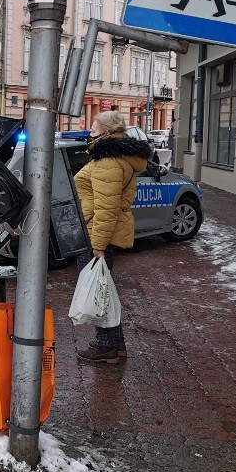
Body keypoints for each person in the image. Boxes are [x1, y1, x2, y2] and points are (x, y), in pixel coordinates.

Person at [73, 111, 152, 364]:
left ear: (106, 133)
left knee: (98, 292)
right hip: (99, 230)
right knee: (103, 288)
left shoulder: (108, 162)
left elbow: (106, 208)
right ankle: (116, 344)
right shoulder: (114, 158)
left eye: (93, 131)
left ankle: (106, 347)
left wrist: (98, 245)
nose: (89, 134)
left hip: (97, 233)